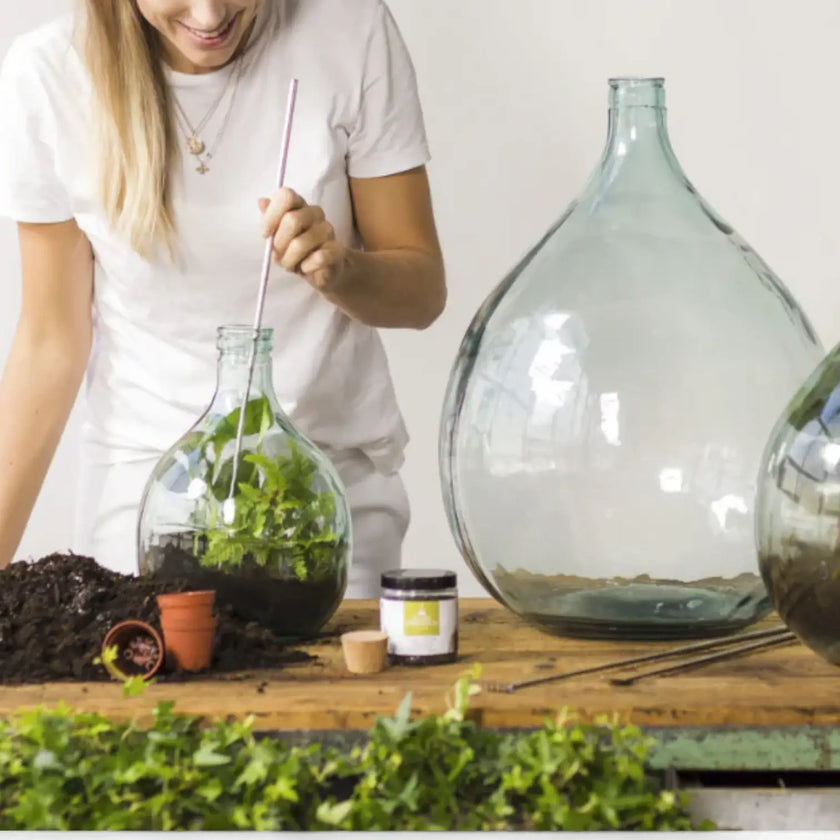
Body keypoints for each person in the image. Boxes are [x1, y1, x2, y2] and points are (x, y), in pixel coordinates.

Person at [0, 0, 445, 598]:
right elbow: (51, 343)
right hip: (145, 504)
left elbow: (422, 293)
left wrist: (341, 271)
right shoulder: (48, 75)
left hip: (324, 506)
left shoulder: (351, 30)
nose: (210, 17)